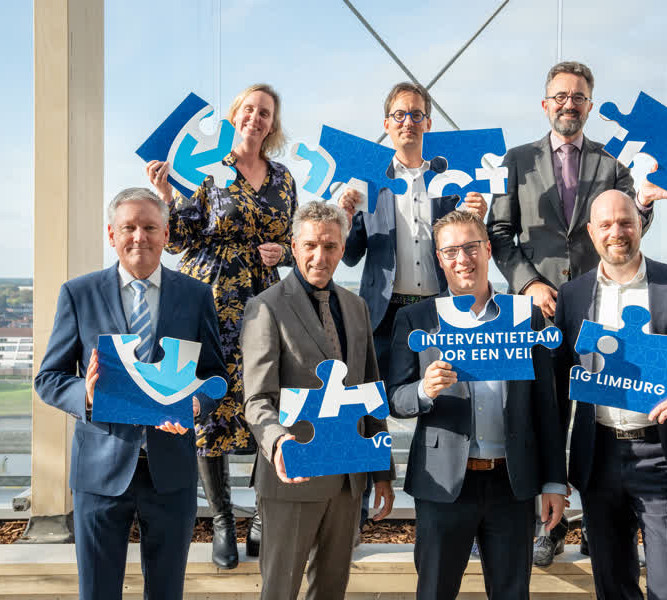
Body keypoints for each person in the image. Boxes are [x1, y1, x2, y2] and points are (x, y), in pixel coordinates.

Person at [486, 60, 667, 563]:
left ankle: (605, 515)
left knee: (604, 411)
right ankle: (549, 523)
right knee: (544, 411)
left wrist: (646, 201)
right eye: (560, 96)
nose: (569, 104)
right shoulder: (514, 161)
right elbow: (499, 234)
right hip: (535, 312)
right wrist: (530, 283)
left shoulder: (613, 163)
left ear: (590, 106)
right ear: (545, 104)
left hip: (599, 307)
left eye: (578, 97)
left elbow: (628, 224)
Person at [34, 188, 228, 600]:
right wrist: (86, 396)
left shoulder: (195, 295)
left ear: (166, 234)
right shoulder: (79, 293)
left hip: (171, 471)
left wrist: (197, 403)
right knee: (98, 593)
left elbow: (215, 375)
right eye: (129, 228)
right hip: (99, 473)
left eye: (150, 227)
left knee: (167, 592)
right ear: (112, 234)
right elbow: (49, 378)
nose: (139, 236)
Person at [554, 190, 667, 599]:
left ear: (640, 225)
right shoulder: (572, 295)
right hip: (598, 457)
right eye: (605, 225)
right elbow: (557, 386)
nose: (616, 232)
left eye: (625, 222)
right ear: (591, 232)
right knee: (612, 587)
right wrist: (552, 471)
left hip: (663, 455)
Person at [146, 83, 297, 566]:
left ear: (272, 124)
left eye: (265, 112)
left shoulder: (284, 178)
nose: (256, 117)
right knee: (209, 405)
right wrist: (165, 196)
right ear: (234, 117)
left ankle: (263, 518)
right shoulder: (207, 170)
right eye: (248, 109)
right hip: (209, 299)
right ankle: (222, 522)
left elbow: (296, 240)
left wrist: (284, 251)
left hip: (265, 301)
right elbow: (176, 241)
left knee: (267, 398)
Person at [387, 210, 567, 599]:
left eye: (470, 247)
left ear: (487, 249)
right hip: (443, 483)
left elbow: (546, 406)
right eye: (451, 251)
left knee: (512, 593)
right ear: (439, 259)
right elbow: (396, 399)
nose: (462, 259)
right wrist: (424, 390)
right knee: (435, 592)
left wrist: (554, 481)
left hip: (512, 484)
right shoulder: (416, 318)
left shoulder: (525, 316)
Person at [339, 81, 487, 527]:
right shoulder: (367, 181)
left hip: (440, 311)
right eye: (400, 115)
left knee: (453, 397)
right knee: (368, 405)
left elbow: (469, 244)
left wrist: (479, 214)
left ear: (429, 122)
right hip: (384, 314)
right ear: (386, 124)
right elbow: (350, 255)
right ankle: (361, 509)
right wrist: (346, 217)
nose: (408, 122)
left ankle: (457, 507)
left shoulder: (451, 178)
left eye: (417, 114)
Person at [241, 201, 395, 600]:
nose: (319, 256)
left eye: (330, 246)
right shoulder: (266, 307)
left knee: (331, 591)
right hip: (293, 475)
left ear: (343, 249)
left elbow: (370, 388)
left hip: (348, 479)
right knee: (280, 592)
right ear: (294, 247)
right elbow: (257, 399)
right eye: (310, 245)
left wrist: (382, 472)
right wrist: (277, 441)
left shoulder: (357, 307)